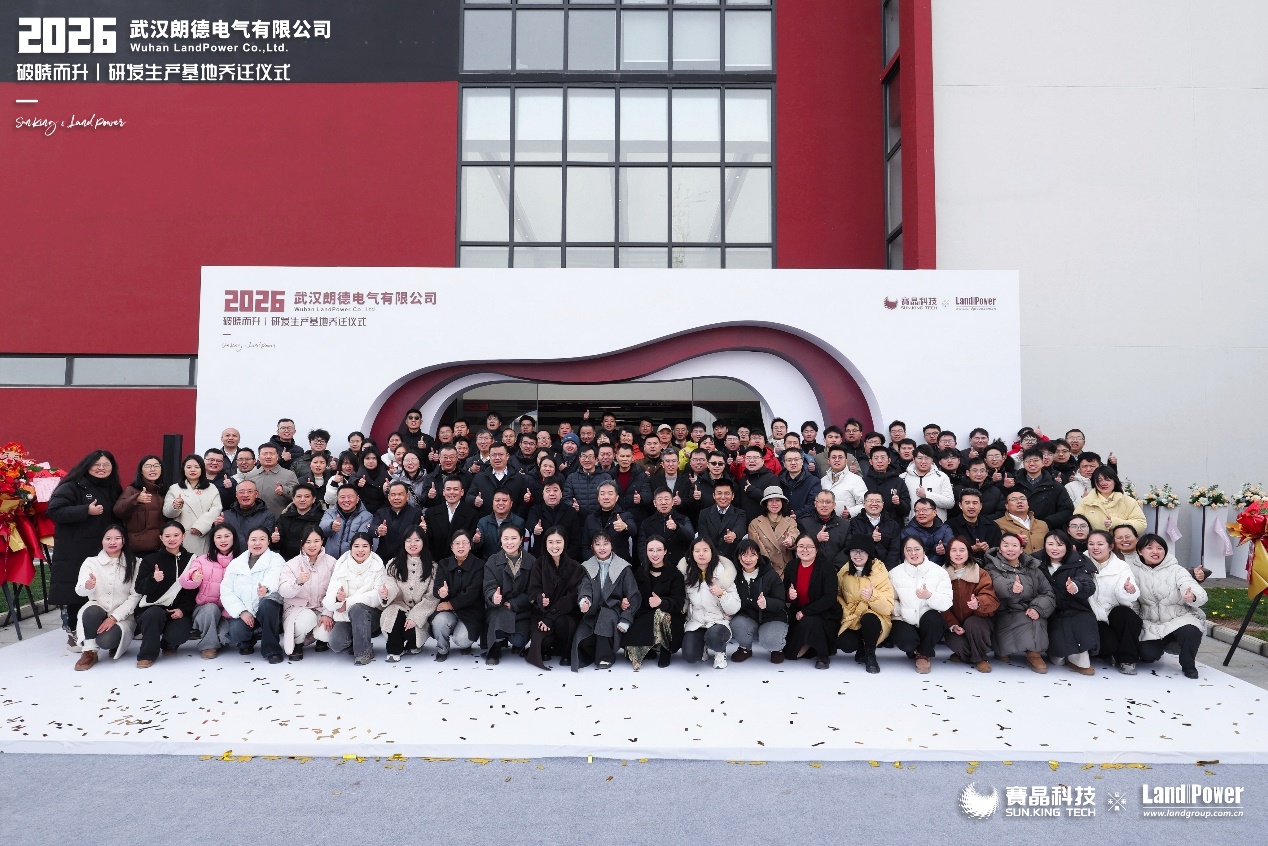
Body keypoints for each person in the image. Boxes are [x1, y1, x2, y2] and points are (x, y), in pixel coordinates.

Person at [49, 450, 124, 647]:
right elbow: (55, 510)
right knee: (77, 592)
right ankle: (74, 633)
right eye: (96, 464)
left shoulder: (113, 487)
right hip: (76, 550)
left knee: (102, 590)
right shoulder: (72, 485)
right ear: (87, 465)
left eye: (106, 464)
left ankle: (98, 631)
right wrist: (85, 510)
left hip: (104, 550)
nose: (101, 468)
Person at [1130, 534, 1208, 679]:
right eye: (1149, 548)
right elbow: (1132, 602)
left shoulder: (1176, 570)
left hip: (1179, 617)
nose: (1155, 551)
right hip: (1151, 622)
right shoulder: (1132, 571)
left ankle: (1188, 664)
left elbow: (1191, 586)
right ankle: (1162, 645)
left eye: (1160, 548)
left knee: (1191, 631)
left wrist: (1192, 596)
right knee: (1147, 655)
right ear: (1140, 551)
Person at [983, 532, 1055, 673]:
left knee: (1035, 618)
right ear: (1000, 549)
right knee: (1019, 621)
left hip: (1030, 609)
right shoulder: (991, 567)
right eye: (1006, 545)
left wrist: (1038, 608)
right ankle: (1003, 649)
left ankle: (1034, 654)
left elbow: (1048, 592)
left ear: (1021, 549)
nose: (1010, 549)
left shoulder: (1033, 568)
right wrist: (1011, 587)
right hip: (1006, 610)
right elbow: (996, 582)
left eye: (1015, 545)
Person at [72, 525, 141, 670]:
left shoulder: (135, 563)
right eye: (108, 538)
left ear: (124, 540)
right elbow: (79, 590)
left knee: (105, 641)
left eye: (117, 538)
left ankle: (116, 642)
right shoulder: (91, 562)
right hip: (98, 610)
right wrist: (88, 586)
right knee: (91, 611)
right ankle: (89, 651)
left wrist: (114, 617)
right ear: (102, 541)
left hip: (123, 616)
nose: (112, 542)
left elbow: (135, 596)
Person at [572, 531, 640, 671]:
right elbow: (585, 587)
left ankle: (605, 657)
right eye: (598, 544)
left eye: (606, 544)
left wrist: (626, 619)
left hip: (614, 610)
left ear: (612, 545)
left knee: (605, 617)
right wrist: (585, 601)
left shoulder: (623, 568)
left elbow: (633, 596)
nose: (602, 548)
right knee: (582, 640)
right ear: (592, 547)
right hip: (593, 611)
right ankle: (595, 652)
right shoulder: (587, 566)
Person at [133, 521, 197, 667]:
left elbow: (192, 591)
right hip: (152, 609)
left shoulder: (192, 560)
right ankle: (147, 655)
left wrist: (182, 609)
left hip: (177, 609)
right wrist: (153, 579)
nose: (172, 539)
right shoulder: (150, 560)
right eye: (167, 536)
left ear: (183, 536)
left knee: (179, 634)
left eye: (176, 535)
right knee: (154, 614)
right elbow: (139, 588)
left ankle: (168, 644)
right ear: (161, 538)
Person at [219, 526, 287, 663]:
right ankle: (247, 640)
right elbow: (226, 590)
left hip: (267, 608)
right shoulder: (236, 563)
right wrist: (242, 611)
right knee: (236, 631)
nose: (257, 543)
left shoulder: (276, 559)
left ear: (268, 541)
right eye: (253, 539)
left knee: (268, 605)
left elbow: (275, 576)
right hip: (246, 610)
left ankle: (272, 649)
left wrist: (266, 588)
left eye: (262, 539)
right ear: (247, 541)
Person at [886, 537, 952, 673]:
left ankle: (923, 654)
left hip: (928, 619)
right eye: (908, 550)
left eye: (917, 549)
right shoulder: (894, 573)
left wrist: (929, 596)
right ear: (903, 552)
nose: (913, 553)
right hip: (904, 618)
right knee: (907, 642)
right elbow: (890, 599)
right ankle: (914, 649)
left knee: (934, 620)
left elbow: (947, 602)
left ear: (923, 551)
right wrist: (901, 610)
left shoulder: (939, 572)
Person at [1038, 530, 1099, 676]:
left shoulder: (1078, 561)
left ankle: (1080, 658)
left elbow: (1087, 581)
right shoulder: (1036, 562)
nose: (1055, 548)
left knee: (1082, 620)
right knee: (1058, 658)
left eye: (1060, 545)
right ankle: (1058, 654)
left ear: (1068, 546)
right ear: (1044, 546)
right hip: (1049, 610)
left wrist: (1077, 586)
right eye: (1050, 544)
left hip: (1075, 607)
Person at [323, 532, 387, 665]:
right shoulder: (341, 565)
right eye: (356, 546)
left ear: (371, 548)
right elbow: (330, 595)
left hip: (371, 617)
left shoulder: (378, 566)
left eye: (365, 546)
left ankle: (363, 653)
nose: (360, 550)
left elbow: (377, 596)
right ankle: (360, 643)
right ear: (351, 548)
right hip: (345, 616)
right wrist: (337, 599)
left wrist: (348, 603)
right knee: (336, 644)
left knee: (358, 609)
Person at [624, 535, 687, 670]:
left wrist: (661, 602)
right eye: (651, 550)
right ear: (646, 552)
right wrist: (626, 601)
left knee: (661, 614)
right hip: (645, 614)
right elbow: (633, 595)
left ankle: (665, 649)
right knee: (631, 654)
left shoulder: (675, 574)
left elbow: (679, 601)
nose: (655, 554)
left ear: (665, 551)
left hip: (669, 617)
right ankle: (650, 647)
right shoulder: (640, 572)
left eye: (659, 550)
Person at [526, 527, 585, 670]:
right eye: (550, 542)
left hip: (565, 613)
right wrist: (540, 598)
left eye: (558, 542)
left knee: (563, 624)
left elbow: (572, 597)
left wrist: (551, 617)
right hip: (542, 613)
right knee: (542, 640)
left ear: (565, 543)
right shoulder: (538, 564)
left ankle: (566, 651)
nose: (554, 546)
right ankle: (546, 649)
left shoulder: (575, 567)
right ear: (545, 543)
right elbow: (533, 589)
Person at [1084, 529, 1142, 674]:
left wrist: (1128, 590)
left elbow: (1129, 594)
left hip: (1113, 612)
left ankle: (1128, 659)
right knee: (1108, 645)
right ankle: (1106, 652)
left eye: (1100, 544)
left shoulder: (1121, 566)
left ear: (1110, 546)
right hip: (1092, 615)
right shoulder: (1080, 563)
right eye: (1091, 544)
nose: (1095, 547)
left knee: (1126, 615)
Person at [677, 537, 740, 669]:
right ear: (692, 553)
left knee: (714, 638)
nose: (701, 554)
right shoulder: (687, 574)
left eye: (705, 550)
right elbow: (685, 600)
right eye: (697, 551)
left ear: (712, 552)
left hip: (718, 622)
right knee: (690, 656)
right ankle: (702, 645)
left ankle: (720, 651)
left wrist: (722, 594)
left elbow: (734, 607)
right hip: (697, 622)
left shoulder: (723, 574)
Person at [834, 536, 895, 673]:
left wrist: (873, 596)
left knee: (869, 619)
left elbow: (888, 608)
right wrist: (847, 612)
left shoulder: (880, 571)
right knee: (846, 645)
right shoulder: (844, 571)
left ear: (869, 554)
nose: (858, 555)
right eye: (854, 551)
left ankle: (870, 654)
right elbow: (837, 595)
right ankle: (861, 646)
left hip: (876, 617)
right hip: (852, 617)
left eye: (863, 551)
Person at [782, 533, 842, 669]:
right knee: (789, 654)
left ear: (816, 549)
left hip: (824, 614)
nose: (805, 550)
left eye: (809, 547)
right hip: (798, 614)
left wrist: (805, 612)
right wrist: (789, 595)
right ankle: (811, 646)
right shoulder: (791, 566)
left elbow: (829, 597)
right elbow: (783, 591)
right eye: (801, 546)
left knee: (810, 620)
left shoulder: (827, 568)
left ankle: (823, 654)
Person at [941, 536, 999, 672]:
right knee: (954, 641)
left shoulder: (980, 573)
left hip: (979, 621)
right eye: (954, 550)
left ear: (968, 552)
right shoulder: (940, 574)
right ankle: (968, 654)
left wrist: (979, 603)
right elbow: (939, 605)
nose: (958, 554)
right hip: (956, 623)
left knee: (972, 624)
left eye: (962, 550)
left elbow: (991, 599)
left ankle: (980, 658)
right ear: (948, 553)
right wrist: (953, 624)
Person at [278, 527, 337, 660]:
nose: (312, 545)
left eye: (316, 541)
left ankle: (320, 639)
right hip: (298, 609)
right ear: (302, 543)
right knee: (307, 619)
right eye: (308, 542)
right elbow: (283, 591)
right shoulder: (292, 564)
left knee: (325, 633)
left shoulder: (332, 562)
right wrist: (298, 582)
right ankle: (298, 643)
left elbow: (336, 589)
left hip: (322, 608)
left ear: (322, 541)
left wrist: (327, 613)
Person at [180, 524, 237, 659]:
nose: (223, 540)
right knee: (211, 609)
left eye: (227, 536)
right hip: (205, 610)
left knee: (226, 637)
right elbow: (185, 581)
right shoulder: (202, 560)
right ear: (213, 540)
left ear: (234, 538)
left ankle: (217, 636)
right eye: (219, 537)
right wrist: (193, 578)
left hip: (230, 610)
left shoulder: (241, 560)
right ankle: (208, 646)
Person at [483, 523, 537, 665]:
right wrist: (494, 596)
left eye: (514, 538)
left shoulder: (531, 561)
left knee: (519, 640)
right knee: (499, 620)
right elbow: (489, 586)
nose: (509, 542)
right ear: (500, 540)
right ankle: (496, 645)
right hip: (498, 609)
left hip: (522, 610)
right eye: (505, 538)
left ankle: (515, 642)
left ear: (521, 540)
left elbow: (533, 591)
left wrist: (514, 603)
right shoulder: (492, 561)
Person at [729, 539, 788, 665]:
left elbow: (781, 602)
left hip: (772, 616)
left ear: (758, 556)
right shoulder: (735, 575)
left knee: (770, 641)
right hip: (749, 616)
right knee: (737, 624)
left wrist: (767, 603)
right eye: (744, 555)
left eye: (752, 555)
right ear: (738, 557)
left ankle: (777, 648)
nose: (748, 559)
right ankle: (745, 648)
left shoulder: (770, 575)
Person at [431, 531, 486, 662]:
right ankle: (442, 649)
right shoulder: (444, 564)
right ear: (451, 546)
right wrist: (440, 592)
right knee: (439, 621)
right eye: (457, 543)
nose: (461, 546)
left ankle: (465, 642)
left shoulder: (479, 565)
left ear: (470, 545)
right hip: (449, 612)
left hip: (470, 612)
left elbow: (473, 593)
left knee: (462, 640)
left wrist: (451, 604)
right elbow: (437, 586)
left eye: (464, 543)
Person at [162, 454, 223, 555]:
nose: (192, 470)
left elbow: (216, 509)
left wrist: (200, 526)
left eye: (196, 467)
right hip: (182, 536)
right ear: (183, 469)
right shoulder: (174, 488)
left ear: (202, 469)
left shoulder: (211, 488)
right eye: (189, 467)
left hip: (203, 534)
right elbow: (167, 513)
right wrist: (175, 506)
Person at [113, 455, 166, 555]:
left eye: (156, 466)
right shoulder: (132, 490)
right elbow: (118, 511)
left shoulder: (164, 490)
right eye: (148, 466)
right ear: (141, 471)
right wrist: (135, 500)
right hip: (139, 548)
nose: (152, 469)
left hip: (162, 547)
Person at [1073, 466, 1147, 535]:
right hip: (1094, 543)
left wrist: (1117, 523)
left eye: (1108, 479)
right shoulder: (1086, 502)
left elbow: (1141, 525)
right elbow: (1075, 524)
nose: (1103, 483)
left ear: (1115, 481)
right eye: (1099, 480)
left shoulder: (1128, 501)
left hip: (1121, 543)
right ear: (1094, 483)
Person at [748, 486, 798, 575]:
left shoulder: (790, 522)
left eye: (777, 500)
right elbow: (756, 548)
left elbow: (795, 535)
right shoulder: (755, 524)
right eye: (770, 500)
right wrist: (767, 568)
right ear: (766, 503)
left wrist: (791, 541)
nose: (774, 504)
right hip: (765, 570)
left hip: (786, 570)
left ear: (782, 503)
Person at [845, 491, 902, 569]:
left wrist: (886, 570)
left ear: (883, 504)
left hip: (886, 569)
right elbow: (853, 546)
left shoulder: (892, 524)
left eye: (878, 501)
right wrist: (870, 538)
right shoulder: (854, 522)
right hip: (861, 568)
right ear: (864, 503)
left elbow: (895, 551)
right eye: (870, 501)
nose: (874, 504)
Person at [637, 487, 694, 566]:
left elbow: (690, 537)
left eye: (666, 499)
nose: (663, 503)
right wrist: (648, 564)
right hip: (654, 565)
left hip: (679, 565)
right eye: (660, 499)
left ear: (673, 502)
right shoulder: (646, 523)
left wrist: (677, 528)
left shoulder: (683, 519)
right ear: (654, 503)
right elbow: (642, 547)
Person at [217, 480, 277, 551]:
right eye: (241, 492)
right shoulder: (226, 515)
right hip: (232, 556)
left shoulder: (267, 515)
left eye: (250, 491)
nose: (245, 495)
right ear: (236, 495)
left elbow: (266, 541)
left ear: (256, 494)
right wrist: (217, 526)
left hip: (256, 555)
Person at [696, 478, 746, 561]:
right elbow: (703, 536)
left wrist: (733, 535)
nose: (723, 497)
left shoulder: (740, 513)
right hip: (710, 559)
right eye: (719, 493)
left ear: (733, 496)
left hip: (732, 559)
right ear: (714, 495)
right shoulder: (704, 513)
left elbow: (740, 528)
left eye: (727, 494)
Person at [902, 446, 956, 522]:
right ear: (913, 459)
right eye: (920, 458)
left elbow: (950, 503)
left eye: (927, 458)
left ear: (932, 459)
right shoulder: (903, 477)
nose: (923, 461)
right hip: (910, 525)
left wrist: (927, 495)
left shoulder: (942, 477)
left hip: (937, 525)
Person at [273, 482, 325, 560]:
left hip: (314, 560)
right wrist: (274, 540)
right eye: (299, 496)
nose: (302, 500)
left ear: (313, 499)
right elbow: (276, 545)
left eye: (307, 496)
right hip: (288, 561)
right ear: (293, 499)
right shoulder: (285, 517)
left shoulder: (322, 517)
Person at [320, 486, 374, 558]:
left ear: (357, 498)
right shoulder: (330, 512)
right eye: (342, 497)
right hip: (330, 559)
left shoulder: (366, 516)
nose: (346, 500)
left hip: (354, 559)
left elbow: (363, 539)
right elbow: (322, 527)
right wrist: (331, 525)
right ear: (337, 498)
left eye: (350, 497)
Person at [244, 444, 299, 516]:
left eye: (272, 454)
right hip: (254, 517)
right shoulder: (250, 476)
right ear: (259, 457)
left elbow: (298, 495)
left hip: (280, 517)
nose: (268, 456)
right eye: (265, 454)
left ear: (277, 457)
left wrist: (284, 490)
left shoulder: (289, 474)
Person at [861, 446, 910, 527]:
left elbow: (907, 509)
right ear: (870, 461)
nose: (879, 461)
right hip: (867, 526)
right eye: (876, 458)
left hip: (893, 527)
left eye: (883, 458)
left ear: (889, 460)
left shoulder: (898, 481)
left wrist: (899, 503)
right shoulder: (863, 481)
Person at [900, 498, 954, 564]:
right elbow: (905, 554)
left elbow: (951, 545)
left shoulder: (945, 529)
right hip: (917, 566)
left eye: (925, 510)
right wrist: (934, 549)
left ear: (934, 512)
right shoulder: (907, 532)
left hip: (942, 567)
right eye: (917, 510)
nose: (921, 513)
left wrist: (945, 548)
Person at [995, 490, 1049, 555]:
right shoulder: (998, 524)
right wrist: (1016, 540)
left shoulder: (1042, 524)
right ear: (1007, 506)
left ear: (1028, 504)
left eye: (1023, 499)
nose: (1019, 501)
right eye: (1014, 499)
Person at [821, 446, 868, 518]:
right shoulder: (823, 480)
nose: (837, 460)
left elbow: (866, 503)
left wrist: (850, 512)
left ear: (846, 461)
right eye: (833, 457)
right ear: (828, 461)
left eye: (840, 457)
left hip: (848, 522)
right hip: (825, 521)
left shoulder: (856, 479)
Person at [351, 447, 390, 515]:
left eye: (374, 458)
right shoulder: (357, 474)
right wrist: (357, 483)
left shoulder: (386, 474)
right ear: (363, 460)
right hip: (362, 512)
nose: (371, 461)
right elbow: (350, 484)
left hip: (383, 511)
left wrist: (387, 489)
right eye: (367, 458)